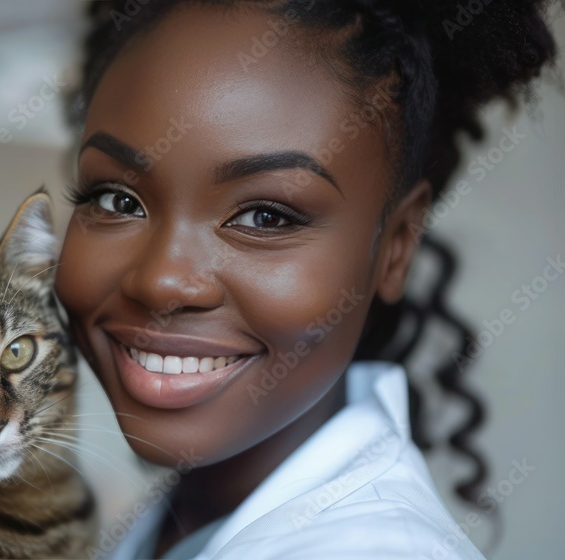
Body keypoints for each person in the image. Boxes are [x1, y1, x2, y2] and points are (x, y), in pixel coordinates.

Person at [53, 0, 558, 558]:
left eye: (265, 217)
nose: (162, 282)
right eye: (117, 200)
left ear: (394, 248)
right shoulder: (187, 514)